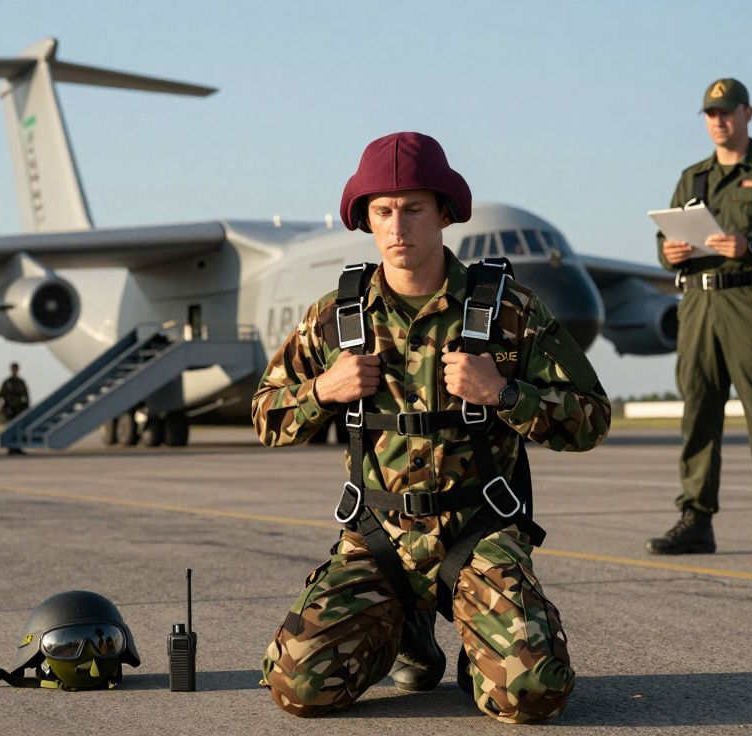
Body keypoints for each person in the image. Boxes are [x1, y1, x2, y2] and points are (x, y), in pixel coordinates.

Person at [254, 132, 610, 722]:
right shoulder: (337, 318)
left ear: (444, 213)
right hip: (378, 536)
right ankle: (403, 630)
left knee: (530, 696)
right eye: (383, 211)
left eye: (414, 209)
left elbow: (591, 419)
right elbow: (266, 419)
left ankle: (482, 645)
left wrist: (502, 392)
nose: (398, 227)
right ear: (366, 220)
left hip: (478, 531)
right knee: (299, 689)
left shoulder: (509, 311)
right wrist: (324, 390)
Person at [649, 79, 752, 562]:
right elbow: (666, 246)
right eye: (710, 113)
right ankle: (696, 520)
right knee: (698, 411)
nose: (718, 121)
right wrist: (669, 253)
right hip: (697, 305)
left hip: (749, 302)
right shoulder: (692, 177)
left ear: (747, 114)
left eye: (726, 112)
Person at [0, 361, 30, 455]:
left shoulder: (21, 382)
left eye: (16, 369)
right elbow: (1, 396)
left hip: (19, 409)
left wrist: (26, 407)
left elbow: (26, 395)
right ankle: (11, 448)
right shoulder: (7, 382)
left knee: (19, 429)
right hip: (10, 409)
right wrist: (4, 408)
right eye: (13, 369)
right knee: (11, 429)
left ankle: (18, 447)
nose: (14, 370)